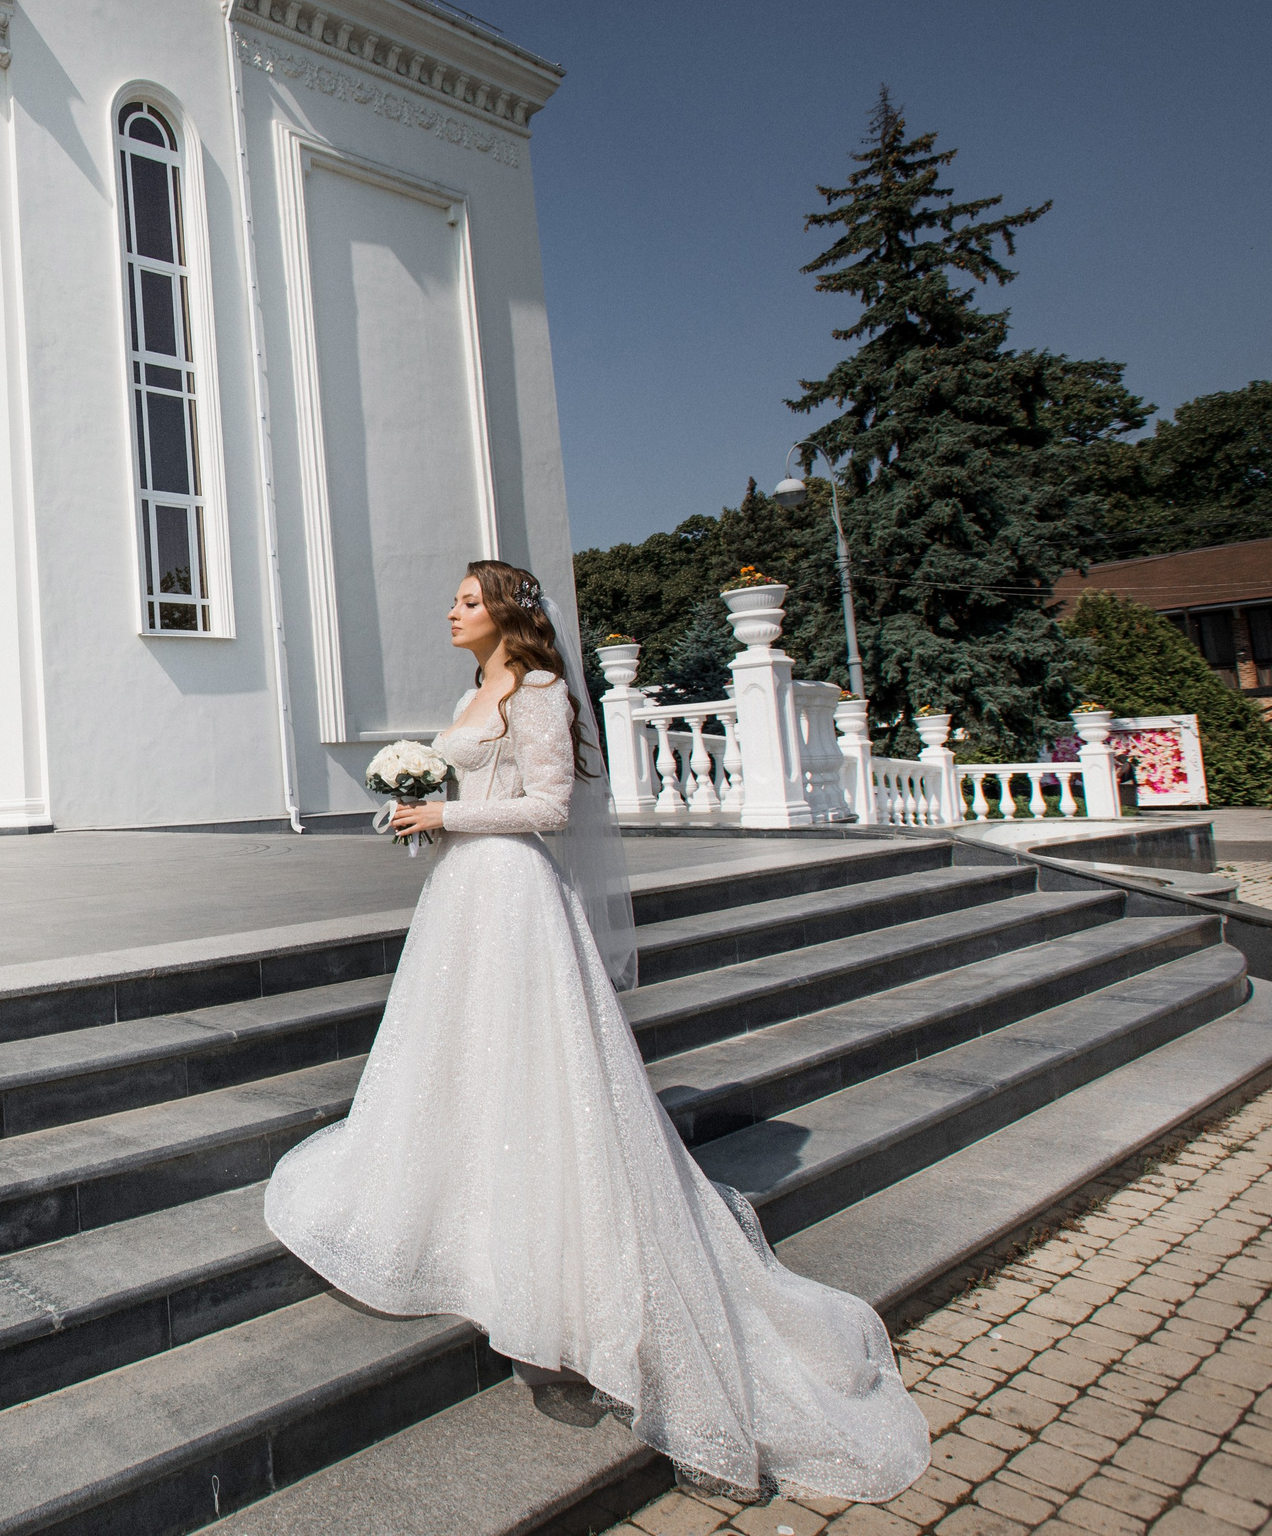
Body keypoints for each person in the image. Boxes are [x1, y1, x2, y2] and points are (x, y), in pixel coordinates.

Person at [262, 560, 930, 1504]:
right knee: (459, 1068)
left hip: (518, 901)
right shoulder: (476, 686)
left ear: (504, 614)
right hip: (462, 900)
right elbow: (482, 797)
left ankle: (587, 1303)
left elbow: (548, 807)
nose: (450, 609)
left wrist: (445, 807)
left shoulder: (537, 691)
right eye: (453, 597)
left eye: (465, 598)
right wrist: (426, 820)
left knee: (538, 1080)